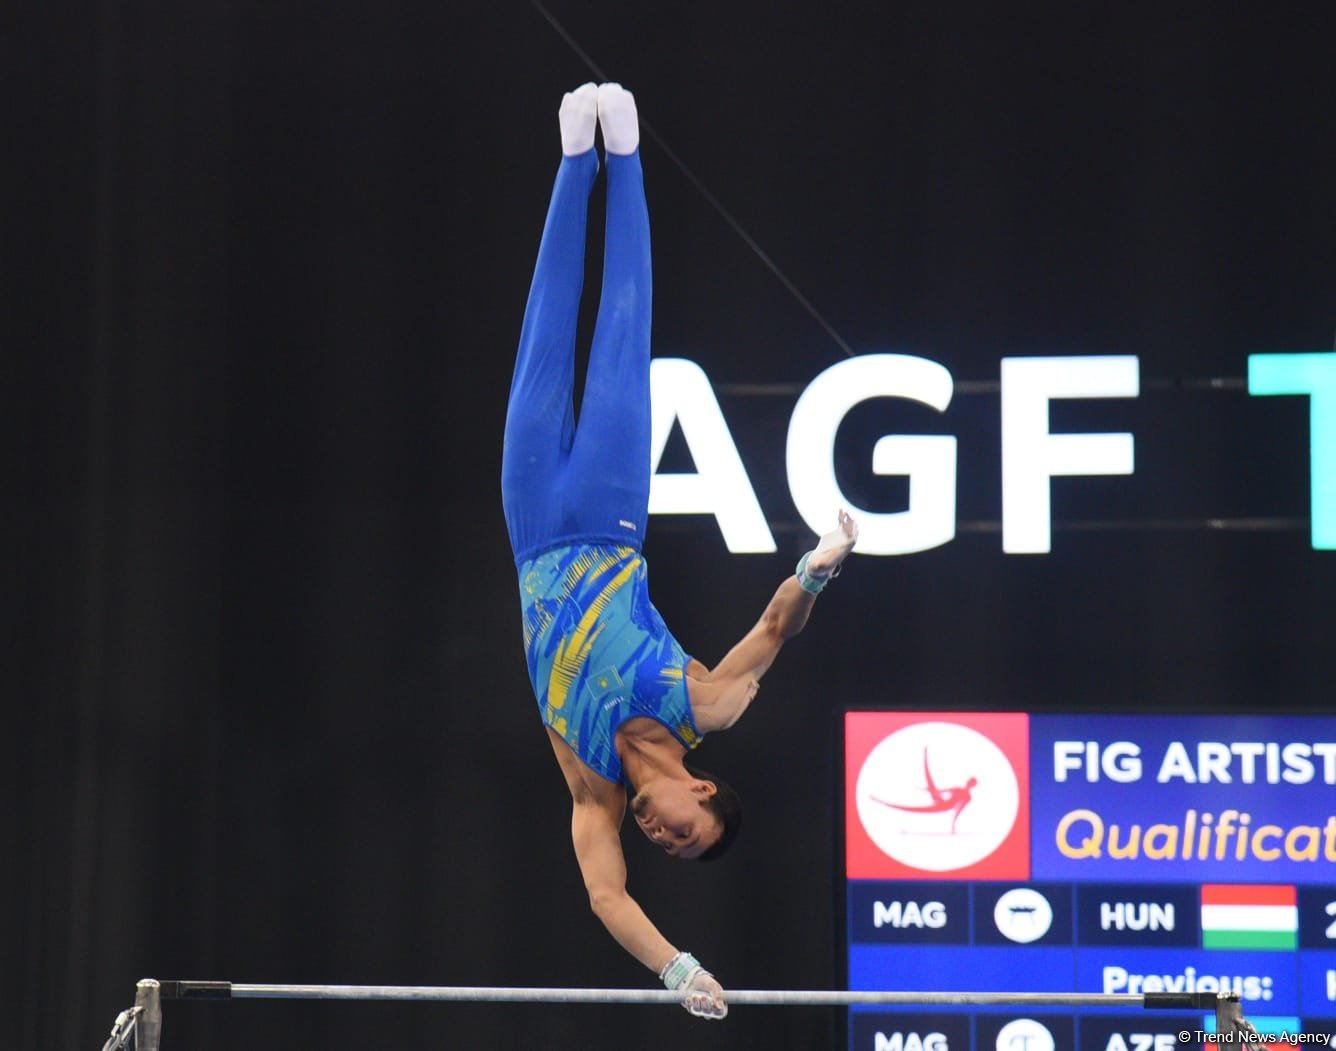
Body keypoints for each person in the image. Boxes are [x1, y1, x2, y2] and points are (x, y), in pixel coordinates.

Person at [501, 82, 858, 1020]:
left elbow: (607, 897)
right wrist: (819, 563)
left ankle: (576, 162)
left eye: (672, 848)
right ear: (702, 789)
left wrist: (675, 968)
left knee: (544, 333)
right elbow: (776, 628)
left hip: (534, 521)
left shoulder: (592, 790)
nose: (665, 838)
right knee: (622, 328)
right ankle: (627, 162)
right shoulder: (706, 701)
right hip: (613, 510)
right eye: (687, 833)